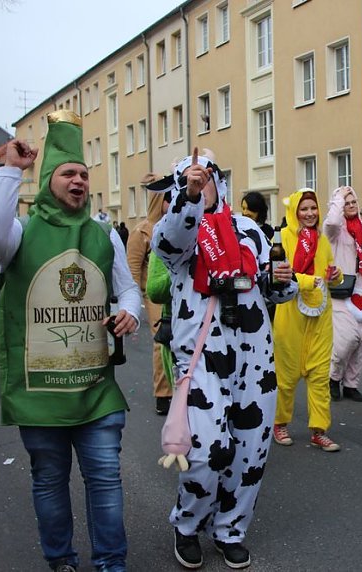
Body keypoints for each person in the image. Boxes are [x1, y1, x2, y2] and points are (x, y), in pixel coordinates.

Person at [0, 110, 141, 572]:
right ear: (50, 179)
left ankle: (112, 563)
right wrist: (11, 169)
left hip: (95, 386)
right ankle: (62, 560)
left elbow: (127, 287)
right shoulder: (19, 234)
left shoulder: (103, 234)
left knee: (106, 480)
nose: (78, 182)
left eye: (84, 175)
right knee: (49, 481)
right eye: (68, 173)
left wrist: (128, 311)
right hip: (41, 392)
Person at [151, 149, 297, 569]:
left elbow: (274, 290)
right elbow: (170, 242)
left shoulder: (250, 230)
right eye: (191, 179)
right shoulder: (179, 226)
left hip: (253, 355)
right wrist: (189, 198)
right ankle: (187, 523)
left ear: (220, 181)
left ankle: (230, 527)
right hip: (200, 357)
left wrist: (281, 282)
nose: (201, 184)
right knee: (206, 450)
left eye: (207, 178)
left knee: (250, 451)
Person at [273, 188, 344, 452]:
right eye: (304, 209)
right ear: (294, 212)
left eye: (313, 208)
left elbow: (330, 274)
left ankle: (319, 430)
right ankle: (280, 423)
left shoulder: (322, 240)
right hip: (290, 315)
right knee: (286, 376)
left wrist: (335, 275)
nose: (310, 214)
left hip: (320, 317)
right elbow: (280, 273)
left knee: (319, 376)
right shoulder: (281, 239)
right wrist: (306, 280)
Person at [324, 186, 362, 402]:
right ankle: (333, 377)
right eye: (346, 203)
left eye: (353, 201)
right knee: (346, 340)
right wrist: (338, 198)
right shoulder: (336, 230)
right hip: (342, 290)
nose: (351, 205)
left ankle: (351, 384)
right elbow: (332, 222)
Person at [126, 185, 172, 415]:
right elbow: (133, 268)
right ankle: (163, 394)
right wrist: (135, 302)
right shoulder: (142, 232)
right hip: (152, 295)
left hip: (174, 292)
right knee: (162, 341)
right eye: (167, 199)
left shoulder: (176, 227)